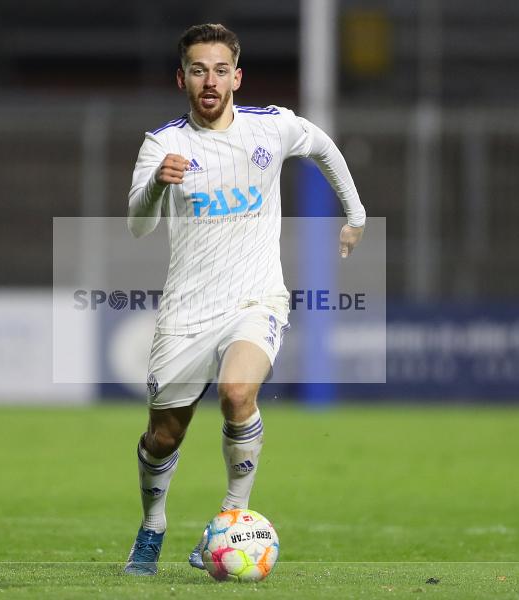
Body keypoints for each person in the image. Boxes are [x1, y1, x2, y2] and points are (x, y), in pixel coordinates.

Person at [123, 23, 365, 575]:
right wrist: (159, 184)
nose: (210, 80)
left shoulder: (270, 128)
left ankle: (229, 519)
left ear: (237, 76)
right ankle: (153, 524)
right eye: (198, 70)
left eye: (220, 69)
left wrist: (353, 214)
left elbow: (324, 146)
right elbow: (137, 225)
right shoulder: (164, 144)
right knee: (163, 437)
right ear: (181, 77)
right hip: (186, 312)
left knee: (237, 393)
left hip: (256, 301)